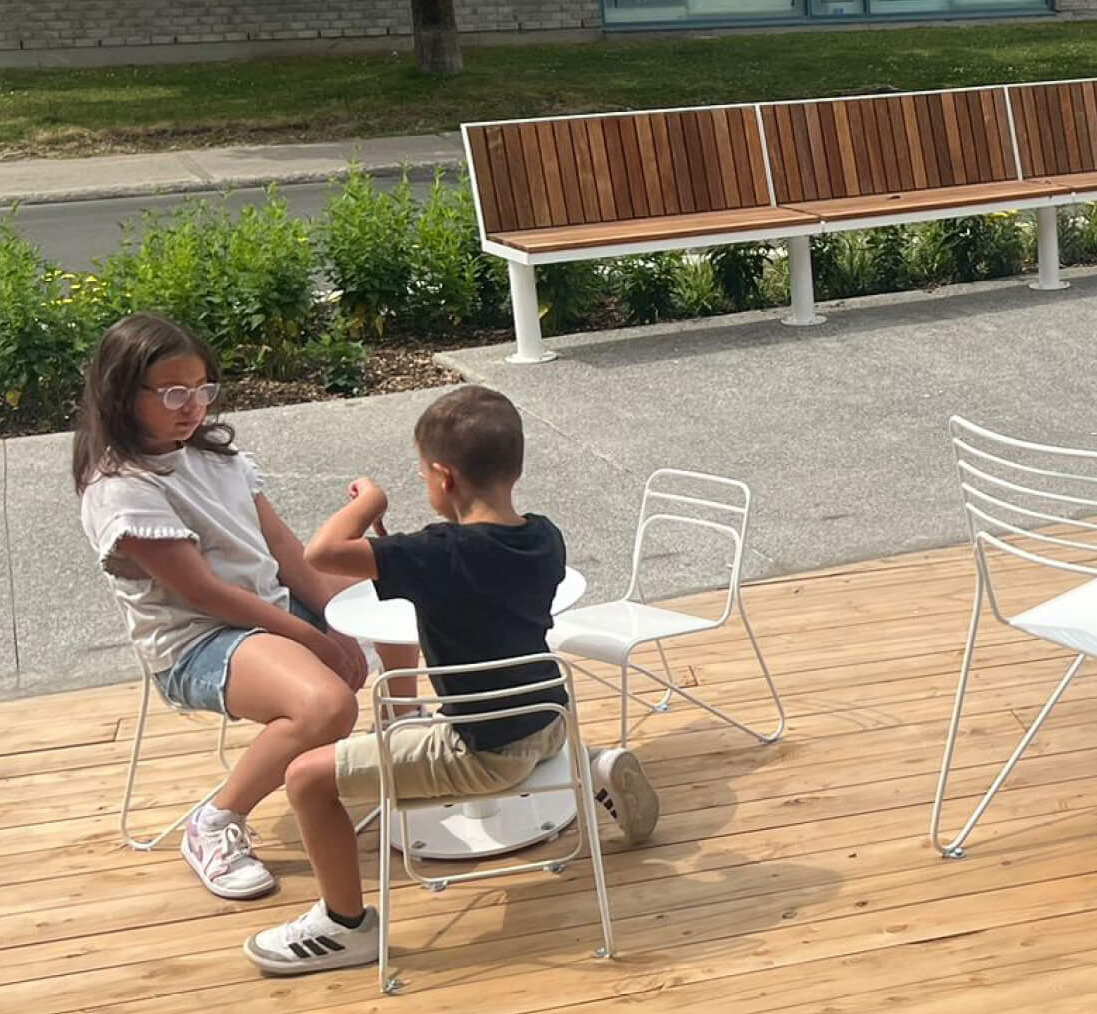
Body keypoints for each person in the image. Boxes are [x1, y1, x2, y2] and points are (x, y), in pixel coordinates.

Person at [245, 385, 660, 975]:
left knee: (307, 778)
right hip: (550, 718)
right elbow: (467, 583)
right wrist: (398, 546)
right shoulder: (544, 537)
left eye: (422, 477)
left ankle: (345, 926)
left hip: (485, 752)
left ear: (443, 478)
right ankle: (587, 765)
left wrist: (370, 501)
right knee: (503, 733)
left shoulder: (435, 554)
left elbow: (322, 553)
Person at [75, 312, 369, 901]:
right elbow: (205, 594)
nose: (193, 406)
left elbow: (284, 549)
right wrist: (316, 639)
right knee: (325, 707)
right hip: (201, 639)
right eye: (173, 393)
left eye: (202, 389)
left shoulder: (215, 456)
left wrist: (344, 618)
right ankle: (215, 821)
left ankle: (410, 749)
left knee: (394, 579)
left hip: (269, 608)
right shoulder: (122, 489)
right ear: (121, 393)